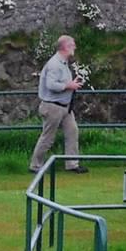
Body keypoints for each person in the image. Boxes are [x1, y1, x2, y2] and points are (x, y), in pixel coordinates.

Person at [30, 34, 86, 173]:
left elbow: (61, 82)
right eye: (72, 45)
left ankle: (72, 164)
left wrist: (73, 83)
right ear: (65, 47)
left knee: (72, 132)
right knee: (48, 138)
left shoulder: (63, 63)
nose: (75, 48)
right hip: (53, 106)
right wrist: (69, 86)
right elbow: (51, 85)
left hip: (65, 107)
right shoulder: (55, 64)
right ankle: (35, 166)